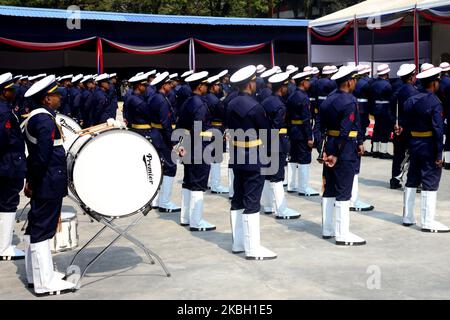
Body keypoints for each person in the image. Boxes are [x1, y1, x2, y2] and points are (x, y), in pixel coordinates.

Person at [22, 75, 76, 295]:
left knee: (37, 227)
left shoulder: (38, 117)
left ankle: (36, 276)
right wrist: (33, 183)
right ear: (46, 99)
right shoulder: (44, 120)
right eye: (55, 95)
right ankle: (45, 283)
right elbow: (41, 157)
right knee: (43, 231)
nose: (59, 98)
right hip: (47, 181)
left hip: (44, 180)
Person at [227, 65, 276, 260]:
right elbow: (265, 133)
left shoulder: (229, 104)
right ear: (250, 83)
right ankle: (253, 248)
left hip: (237, 155)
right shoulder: (256, 107)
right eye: (254, 81)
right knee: (252, 202)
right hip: (253, 156)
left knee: (238, 198)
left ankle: (239, 243)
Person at [319, 66, 366, 246]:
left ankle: (328, 228)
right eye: (354, 80)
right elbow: (346, 131)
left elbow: (320, 127)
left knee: (329, 188)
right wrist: (337, 154)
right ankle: (342, 233)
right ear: (349, 81)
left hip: (330, 144)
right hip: (344, 149)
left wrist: (323, 149)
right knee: (344, 191)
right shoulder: (349, 101)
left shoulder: (328, 100)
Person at [402, 67, 449, 233]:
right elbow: (438, 129)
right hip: (429, 144)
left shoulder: (411, 99)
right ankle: (428, 222)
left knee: (412, 178)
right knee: (430, 181)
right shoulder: (435, 102)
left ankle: (407, 216)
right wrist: (439, 153)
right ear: (434, 83)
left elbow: (405, 124)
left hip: (414, 142)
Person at [177, 71, 216, 231]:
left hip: (188, 144)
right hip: (198, 147)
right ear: (200, 86)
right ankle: (196, 221)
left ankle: (186, 217)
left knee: (188, 182)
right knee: (198, 184)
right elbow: (197, 128)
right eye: (205, 84)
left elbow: (181, 125)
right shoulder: (199, 104)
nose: (207, 87)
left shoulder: (187, 102)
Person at [260, 72, 301, 219]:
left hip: (265, 141)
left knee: (266, 174)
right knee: (277, 176)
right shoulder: (280, 105)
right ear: (282, 88)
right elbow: (276, 127)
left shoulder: (264, 101)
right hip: (276, 142)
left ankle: (268, 206)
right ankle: (281, 210)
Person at [0, 72, 27, 261]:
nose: (13, 92)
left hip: (8, 163)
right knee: (8, 203)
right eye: (10, 90)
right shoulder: (3, 113)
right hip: (7, 164)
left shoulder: (5, 109)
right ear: (3, 92)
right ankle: (4, 246)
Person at [148, 72, 181, 213]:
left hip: (156, 134)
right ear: (163, 86)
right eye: (168, 84)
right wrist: (173, 142)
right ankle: (165, 202)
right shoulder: (161, 100)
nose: (170, 86)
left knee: (159, 167)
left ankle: (156, 200)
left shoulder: (154, 97)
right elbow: (165, 123)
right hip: (162, 136)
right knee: (170, 167)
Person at [285, 70, 319, 197]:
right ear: (303, 82)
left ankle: (291, 185)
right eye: (308, 81)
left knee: (293, 157)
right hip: (302, 132)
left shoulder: (292, 95)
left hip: (293, 130)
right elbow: (306, 119)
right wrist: (309, 137)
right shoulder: (303, 97)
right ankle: (303, 188)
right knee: (304, 159)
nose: (309, 83)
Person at [389, 64, 420, 189]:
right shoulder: (412, 91)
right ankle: (413, 182)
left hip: (398, 127)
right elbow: (413, 112)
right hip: (409, 128)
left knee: (398, 155)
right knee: (413, 155)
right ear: (412, 76)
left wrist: (395, 124)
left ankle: (395, 179)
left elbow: (390, 109)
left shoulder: (396, 89)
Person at [349, 66, 374, 212]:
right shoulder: (351, 101)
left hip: (334, 140)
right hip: (350, 140)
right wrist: (359, 141)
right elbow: (355, 125)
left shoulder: (332, 97)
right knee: (352, 168)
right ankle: (353, 199)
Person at [204, 74, 228, 194]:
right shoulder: (215, 100)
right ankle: (216, 185)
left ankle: (209, 182)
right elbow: (223, 115)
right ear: (213, 86)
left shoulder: (205, 97)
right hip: (217, 128)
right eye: (218, 85)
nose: (219, 87)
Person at [370, 64, 393, 159]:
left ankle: (375, 150)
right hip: (385, 109)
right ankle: (383, 151)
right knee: (385, 130)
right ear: (386, 73)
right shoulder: (387, 85)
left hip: (376, 108)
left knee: (377, 128)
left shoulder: (373, 83)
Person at [438, 62, 450, 170]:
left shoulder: (437, 82)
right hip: (448, 112)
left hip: (438, 111)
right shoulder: (449, 82)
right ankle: (448, 161)